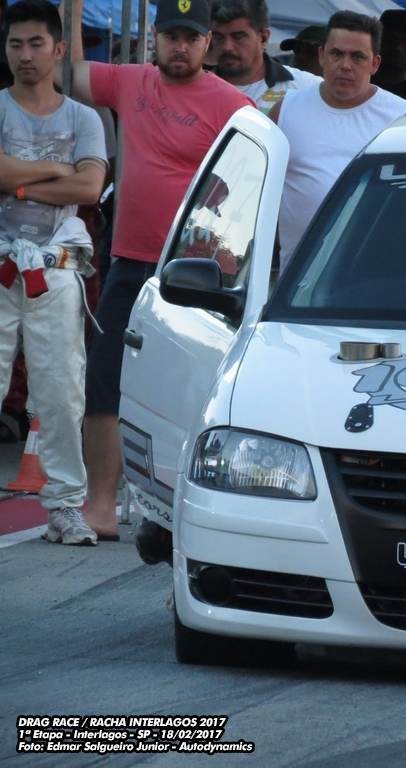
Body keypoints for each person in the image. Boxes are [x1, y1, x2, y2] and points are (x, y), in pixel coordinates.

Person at [68, 0, 252, 539]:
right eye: (171, 36)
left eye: (190, 38)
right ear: (155, 37)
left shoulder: (234, 105)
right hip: (129, 261)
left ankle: (187, 509)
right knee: (104, 379)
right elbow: (69, 74)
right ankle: (102, 505)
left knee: (189, 391)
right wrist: (74, 11)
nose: (180, 47)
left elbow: (250, 185)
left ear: (207, 42)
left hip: (195, 274)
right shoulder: (131, 82)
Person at [0, 0, 106, 545]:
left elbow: (89, 187)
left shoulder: (83, 118)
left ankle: (65, 505)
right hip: (2, 267)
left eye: (36, 43)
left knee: (62, 393)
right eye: (15, 44)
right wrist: (52, 170)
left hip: (55, 268)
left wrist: (16, 183)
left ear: (58, 49)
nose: (25, 54)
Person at [271, 11, 406, 270]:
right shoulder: (286, 110)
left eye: (358, 57)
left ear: (375, 63)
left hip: (375, 273)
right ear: (322, 55)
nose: (346, 65)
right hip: (296, 279)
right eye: (337, 54)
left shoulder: (401, 118)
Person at [209, 0, 320, 115]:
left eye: (238, 37)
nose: (227, 47)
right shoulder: (197, 89)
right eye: (219, 37)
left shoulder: (307, 87)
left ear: (263, 38)